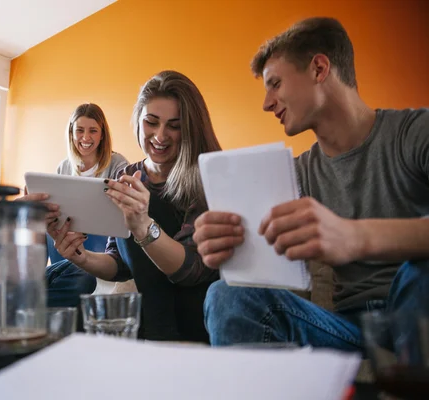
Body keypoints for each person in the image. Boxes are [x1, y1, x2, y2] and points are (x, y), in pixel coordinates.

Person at [193, 17, 429, 349]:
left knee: (421, 274)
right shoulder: (294, 175)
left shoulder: (414, 132)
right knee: (226, 294)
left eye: (275, 84)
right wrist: (227, 249)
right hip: (346, 330)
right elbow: (265, 270)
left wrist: (354, 237)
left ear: (319, 69)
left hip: (417, 309)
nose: (266, 103)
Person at [49, 70, 222, 342]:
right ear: (138, 121)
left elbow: (191, 270)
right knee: (71, 326)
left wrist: (143, 225)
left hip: (193, 321)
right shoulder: (125, 175)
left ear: (191, 127)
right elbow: (119, 264)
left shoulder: (208, 175)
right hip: (149, 319)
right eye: (151, 122)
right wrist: (81, 257)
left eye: (174, 126)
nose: (160, 136)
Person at [45, 103, 129, 306]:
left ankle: (75, 270)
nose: (86, 138)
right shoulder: (64, 166)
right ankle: (38, 278)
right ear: (72, 133)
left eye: (93, 131)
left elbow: (122, 209)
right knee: (41, 223)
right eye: (80, 131)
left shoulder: (118, 163)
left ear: (102, 135)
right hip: (69, 232)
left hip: (103, 237)